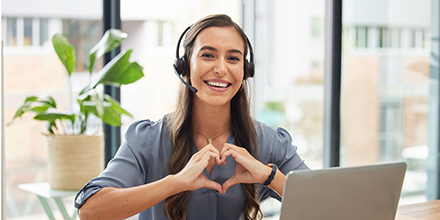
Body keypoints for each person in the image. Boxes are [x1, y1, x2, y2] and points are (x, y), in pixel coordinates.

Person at [74, 14, 309, 220]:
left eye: (233, 58)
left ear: (245, 72)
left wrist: (269, 176)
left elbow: (329, 206)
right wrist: (176, 182)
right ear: (184, 67)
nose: (221, 69)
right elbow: (90, 211)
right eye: (208, 55)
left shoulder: (270, 142)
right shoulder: (147, 139)